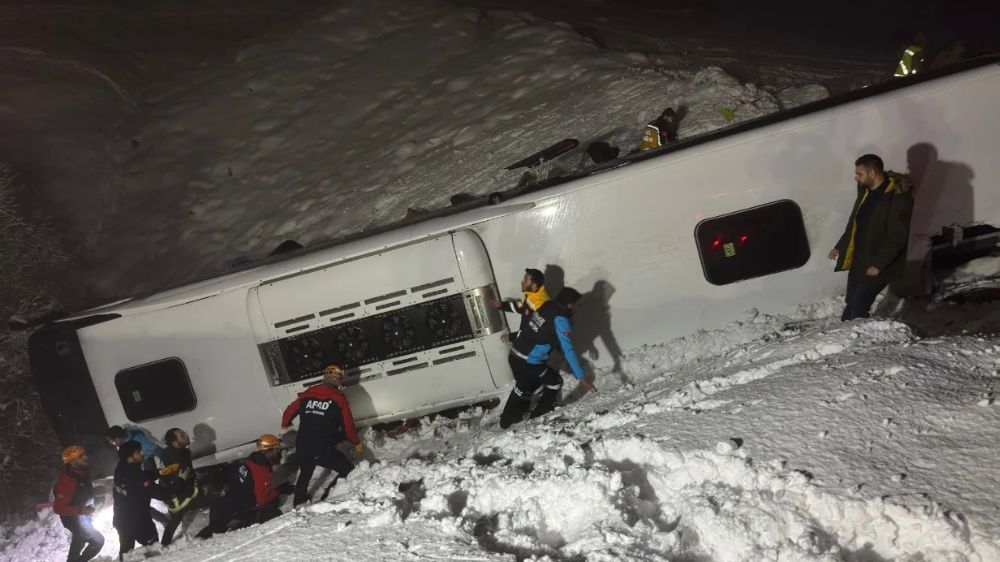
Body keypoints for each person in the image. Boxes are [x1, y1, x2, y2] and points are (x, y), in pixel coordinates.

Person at [829, 154, 913, 321]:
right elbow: (854, 226)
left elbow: (897, 237)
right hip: (859, 261)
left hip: (878, 264)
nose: (855, 178)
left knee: (859, 308)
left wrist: (878, 265)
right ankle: (847, 342)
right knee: (850, 306)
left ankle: (862, 343)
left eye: (859, 174)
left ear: (873, 173)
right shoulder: (864, 194)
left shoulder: (898, 198)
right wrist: (839, 247)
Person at [499, 287, 596, 428]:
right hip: (529, 361)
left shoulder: (547, 305)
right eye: (575, 304)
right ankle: (538, 415)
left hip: (516, 353)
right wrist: (581, 376)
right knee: (555, 382)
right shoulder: (561, 320)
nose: (575, 307)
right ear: (569, 304)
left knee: (523, 386)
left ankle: (506, 419)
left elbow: (538, 328)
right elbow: (568, 349)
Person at [282, 364, 362, 507]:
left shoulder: (308, 393)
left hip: (303, 445)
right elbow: (348, 426)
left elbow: (289, 411)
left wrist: (285, 423)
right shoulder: (339, 399)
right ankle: (330, 494)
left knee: (305, 473)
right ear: (339, 381)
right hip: (321, 449)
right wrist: (356, 441)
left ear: (324, 378)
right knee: (348, 470)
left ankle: (298, 503)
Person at [196, 434, 287, 538]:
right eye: (276, 449)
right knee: (273, 511)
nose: (278, 451)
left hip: (220, 506)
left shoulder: (249, 461)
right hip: (231, 515)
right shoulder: (261, 472)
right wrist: (277, 491)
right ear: (267, 451)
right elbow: (260, 501)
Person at [52, 445, 105, 562]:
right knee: (98, 541)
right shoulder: (67, 482)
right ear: (71, 461)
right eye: (81, 456)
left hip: (82, 518)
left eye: (84, 454)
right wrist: (81, 510)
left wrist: (95, 494)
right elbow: (58, 508)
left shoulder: (81, 472)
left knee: (78, 541)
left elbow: (80, 492)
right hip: (74, 520)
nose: (86, 457)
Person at [113, 441, 163, 559]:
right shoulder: (133, 475)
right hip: (136, 521)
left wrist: (156, 473)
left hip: (124, 519)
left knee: (126, 551)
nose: (142, 453)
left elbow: (141, 477)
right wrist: (180, 481)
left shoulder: (123, 467)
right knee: (152, 546)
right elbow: (156, 491)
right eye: (138, 452)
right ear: (129, 458)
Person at [158, 427, 209, 545]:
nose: (186, 435)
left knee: (177, 517)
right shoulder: (173, 457)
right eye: (182, 435)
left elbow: (187, 472)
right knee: (179, 514)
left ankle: (165, 543)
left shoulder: (182, 451)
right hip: (178, 495)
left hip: (184, 491)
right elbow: (178, 483)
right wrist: (200, 491)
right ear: (175, 443)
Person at [488, 268, 550, 342]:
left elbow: (534, 332)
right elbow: (522, 307)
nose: (522, 282)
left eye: (525, 280)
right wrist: (502, 305)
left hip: (535, 347)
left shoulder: (538, 304)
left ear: (534, 285)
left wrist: (511, 337)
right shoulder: (533, 295)